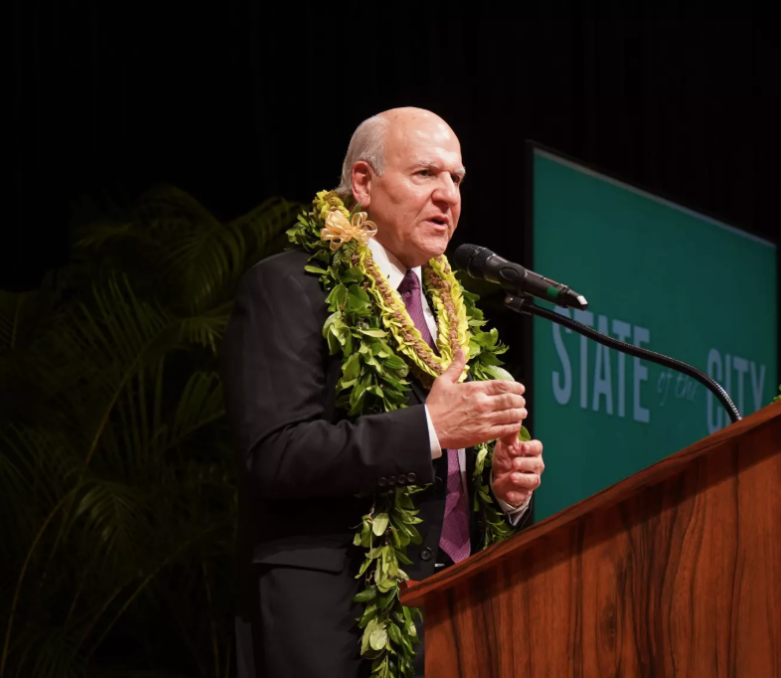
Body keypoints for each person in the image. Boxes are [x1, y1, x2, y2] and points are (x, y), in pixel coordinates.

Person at [224, 107, 546, 677]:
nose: (448, 195)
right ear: (365, 184)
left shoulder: (456, 317)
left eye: (457, 178)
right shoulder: (289, 286)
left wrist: (498, 491)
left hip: (455, 621)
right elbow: (274, 455)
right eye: (426, 174)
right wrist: (428, 430)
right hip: (335, 622)